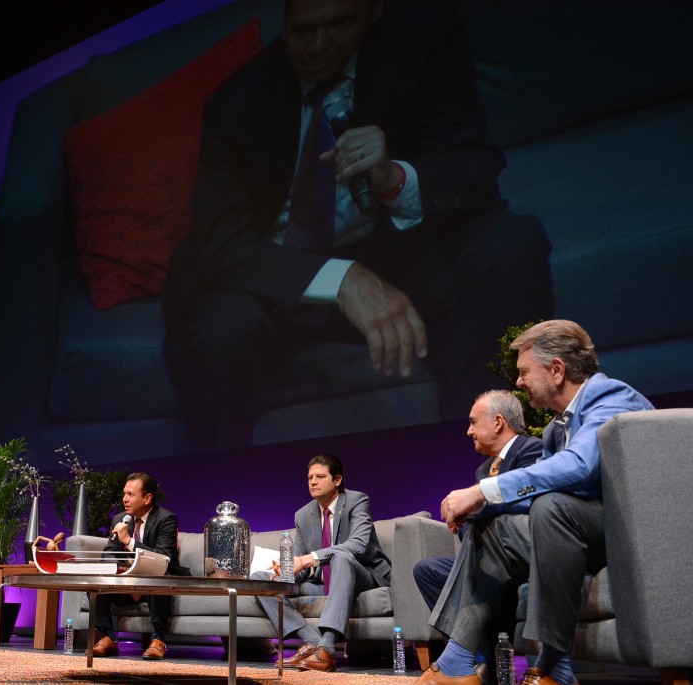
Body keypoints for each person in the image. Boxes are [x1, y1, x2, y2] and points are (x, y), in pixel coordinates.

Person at [163, 0, 553, 452]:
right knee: (221, 331)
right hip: (276, 274)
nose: (318, 46)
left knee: (509, 248)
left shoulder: (421, 43)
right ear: (284, 25)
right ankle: (221, 497)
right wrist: (341, 279)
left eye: (339, 25)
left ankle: (489, 465)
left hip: (396, 250)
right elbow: (221, 243)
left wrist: (395, 180)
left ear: (374, 12)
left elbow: (473, 167)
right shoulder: (237, 102)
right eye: (303, 31)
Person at [420, 320, 654, 685]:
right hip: (581, 533)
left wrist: (482, 491)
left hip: (630, 533)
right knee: (493, 522)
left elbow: (579, 468)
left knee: (551, 508)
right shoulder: (555, 428)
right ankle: (459, 661)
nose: (518, 382)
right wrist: (481, 507)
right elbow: (536, 491)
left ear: (557, 370)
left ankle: (553, 666)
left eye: (525, 372)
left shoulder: (612, 399)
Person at [412, 390, 542, 670]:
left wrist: (473, 508)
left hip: (523, 554)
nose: (468, 431)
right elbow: (476, 528)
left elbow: (527, 504)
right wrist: (461, 520)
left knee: (477, 567)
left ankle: (463, 658)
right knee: (427, 569)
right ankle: (483, 656)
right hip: (489, 557)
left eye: (473, 422)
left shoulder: (532, 449)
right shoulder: (484, 470)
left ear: (498, 422)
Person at [250, 454, 391, 672]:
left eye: (320, 476)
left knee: (342, 557)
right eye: (309, 477)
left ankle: (327, 647)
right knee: (260, 579)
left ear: (337, 480)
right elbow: (299, 567)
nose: (313, 482)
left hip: (362, 576)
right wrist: (286, 571)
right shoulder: (302, 515)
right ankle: (314, 643)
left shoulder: (357, 501)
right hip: (320, 581)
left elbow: (358, 545)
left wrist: (307, 560)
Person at [91, 472, 189, 661]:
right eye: (124, 494)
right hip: (127, 583)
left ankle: (158, 639)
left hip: (154, 581)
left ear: (147, 498)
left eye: (131, 494)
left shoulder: (165, 519)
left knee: (158, 576)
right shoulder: (120, 519)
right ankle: (108, 637)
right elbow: (109, 553)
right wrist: (121, 570)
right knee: (96, 579)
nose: (125, 499)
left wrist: (128, 541)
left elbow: (163, 557)